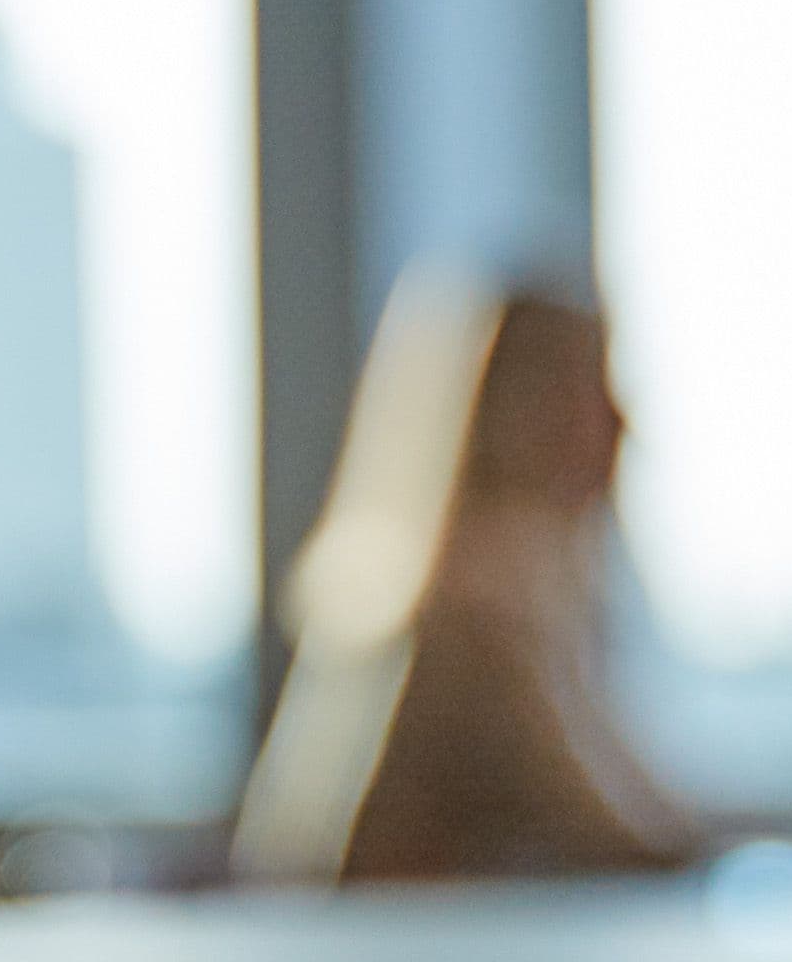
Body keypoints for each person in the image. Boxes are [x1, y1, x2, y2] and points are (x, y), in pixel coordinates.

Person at [236, 272, 696, 885]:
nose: (621, 424)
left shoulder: (494, 593)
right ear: (506, 411)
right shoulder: (477, 618)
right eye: (585, 388)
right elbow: (623, 842)